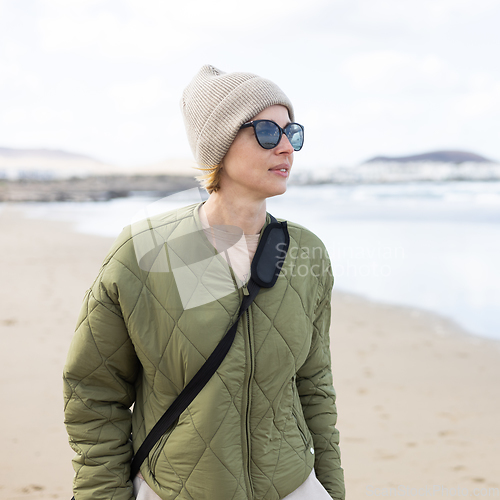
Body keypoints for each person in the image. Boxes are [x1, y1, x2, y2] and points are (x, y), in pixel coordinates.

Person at [63, 65, 345, 500]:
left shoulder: (306, 252)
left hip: (293, 486)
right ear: (220, 142)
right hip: (176, 488)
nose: (287, 147)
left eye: (294, 133)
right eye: (268, 132)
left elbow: (314, 386)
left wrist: (330, 488)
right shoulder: (146, 250)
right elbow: (93, 393)